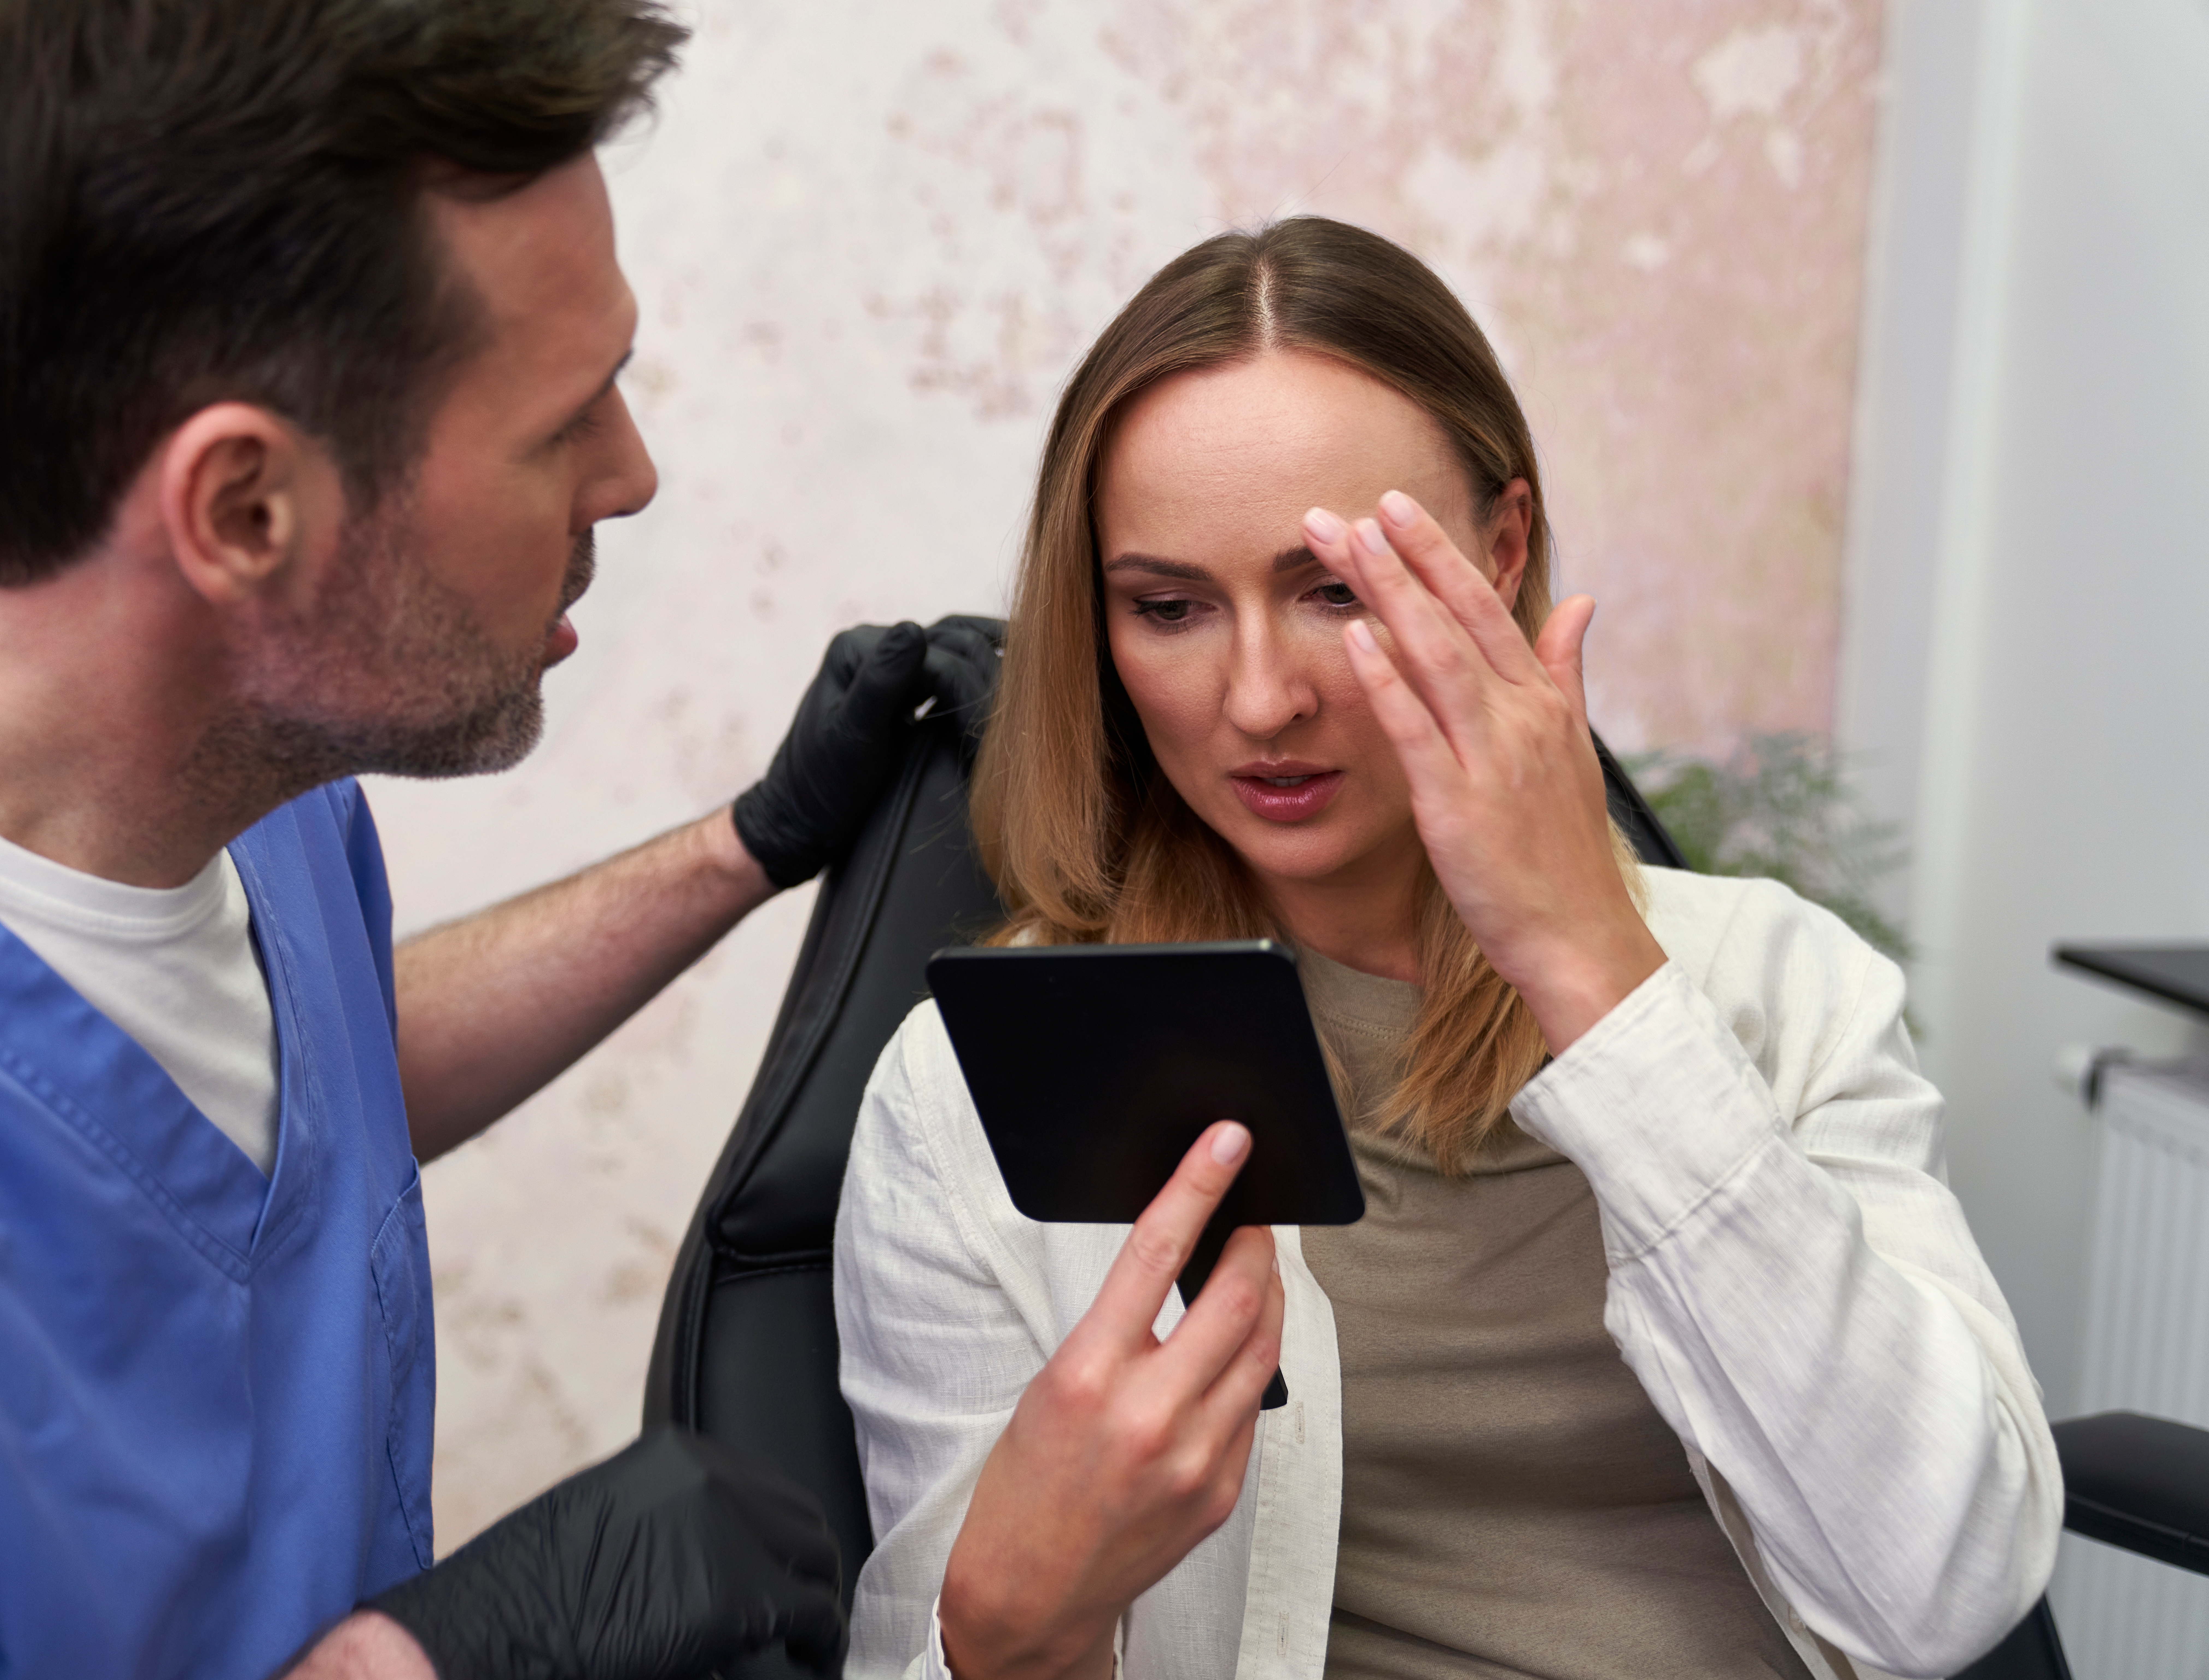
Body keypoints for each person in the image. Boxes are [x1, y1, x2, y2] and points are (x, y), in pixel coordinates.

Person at [0, 2, 999, 1677]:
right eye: (564, 421)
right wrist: (419, 1668)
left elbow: (271, 1100)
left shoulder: (253, 778)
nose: (636, 474)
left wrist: (741, 848)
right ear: (244, 512)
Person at [833, 217, 2063, 1680]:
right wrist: (1001, 1640)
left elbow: (1946, 1593)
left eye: (1335, 591)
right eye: (1168, 609)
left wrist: (1600, 983)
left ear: (1501, 550)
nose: (1259, 699)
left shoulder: (1779, 989)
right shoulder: (974, 1095)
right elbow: (944, 1648)